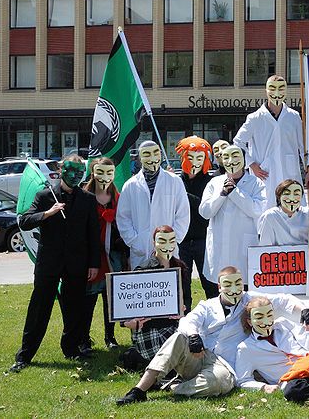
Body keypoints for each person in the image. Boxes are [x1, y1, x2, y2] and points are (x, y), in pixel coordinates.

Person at [116, 266, 309, 404]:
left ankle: (172, 387)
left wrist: (303, 310)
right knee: (178, 337)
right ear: (219, 287)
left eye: (238, 284)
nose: (235, 290)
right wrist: (194, 337)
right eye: (229, 285)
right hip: (198, 354)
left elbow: (283, 300)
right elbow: (187, 321)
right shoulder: (207, 305)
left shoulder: (250, 300)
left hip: (224, 365)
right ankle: (140, 389)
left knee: (220, 383)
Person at [9, 155, 100, 373]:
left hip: (77, 263)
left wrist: (94, 263)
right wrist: (48, 213)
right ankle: (25, 355)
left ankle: (71, 349)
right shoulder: (44, 195)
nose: (75, 175)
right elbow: (24, 221)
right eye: (71, 170)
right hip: (49, 262)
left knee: (74, 310)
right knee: (39, 309)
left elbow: (93, 234)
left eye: (80, 172)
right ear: (60, 170)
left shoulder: (87, 199)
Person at [233, 75, 309, 210]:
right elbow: (238, 142)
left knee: (293, 213)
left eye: (281, 88)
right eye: (272, 88)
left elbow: (304, 146)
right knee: (266, 213)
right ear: (266, 91)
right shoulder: (255, 118)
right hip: (265, 174)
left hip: (289, 173)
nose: (277, 92)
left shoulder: (293, 116)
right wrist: (251, 164)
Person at [119, 226, 188, 371]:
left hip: (173, 324)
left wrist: (183, 309)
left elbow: (186, 299)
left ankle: (137, 355)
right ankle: (134, 355)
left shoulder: (181, 268)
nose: (167, 246)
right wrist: (128, 324)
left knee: (182, 357)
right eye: (161, 241)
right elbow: (126, 306)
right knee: (165, 362)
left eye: (171, 241)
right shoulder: (143, 270)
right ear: (154, 242)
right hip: (149, 327)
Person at [116, 140, 190, 270]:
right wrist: (134, 241)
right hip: (141, 249)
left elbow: (183, 213)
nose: (152, 158)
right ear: (140, 158)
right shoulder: (130, 185)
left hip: (167, 248)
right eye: (147, 154)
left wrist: (173, 240)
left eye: (156, 153)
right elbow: (123, 217)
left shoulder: (174, 181)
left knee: (168, 286)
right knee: (142, 286)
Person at [81, 157, 128, 353]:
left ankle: (110, 337)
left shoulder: (118, 197)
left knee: (111, 299)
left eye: (109, 173)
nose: (105, 177)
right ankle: (84, 338)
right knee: (89, 299)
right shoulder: (84, 196)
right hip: (92, 257)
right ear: (93, 172)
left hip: (114, 256)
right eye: (100, 172)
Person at [200, 145, 265, 284]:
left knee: (243, 286)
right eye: (226, 157)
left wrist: (235, 193)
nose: (231, 161)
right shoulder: (215, 182)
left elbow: (257, 210)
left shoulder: (255, 183)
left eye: (235, 156)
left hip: (244, 244)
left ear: (243, 159)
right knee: (218, 285)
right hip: (219, 244)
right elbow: (205, 212)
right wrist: (222, 194)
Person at [176, 136, 218, 309]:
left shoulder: (211, 181)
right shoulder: (176, 181)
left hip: (203, 239)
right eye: (191, 156)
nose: (195, 162)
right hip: (182, 241)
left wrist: (184, 195)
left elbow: (207, 208)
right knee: (183, 286)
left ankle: (216, 319)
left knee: (210, 284)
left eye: (200, 157)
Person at [258, 179, 309, 246]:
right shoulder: (270, 216)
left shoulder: (308, 214)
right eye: (287, 194)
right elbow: (265, 245)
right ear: (279, 196)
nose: (291, 198)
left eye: (296, 194)